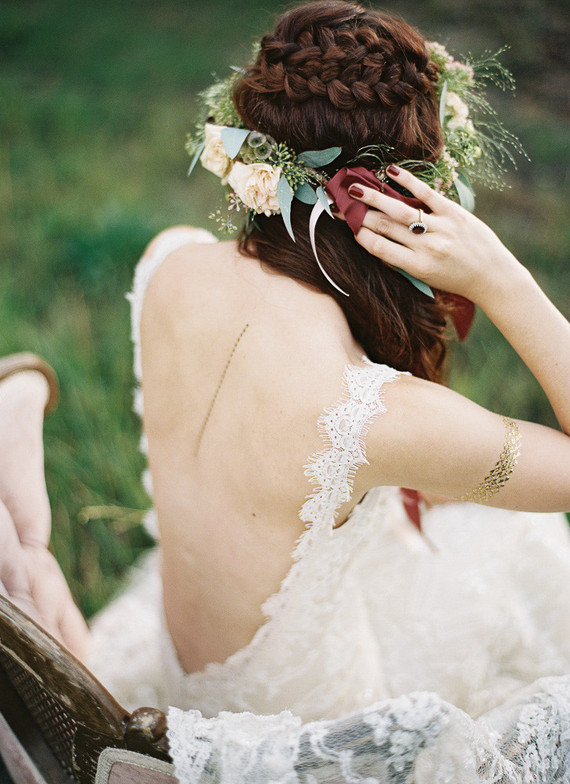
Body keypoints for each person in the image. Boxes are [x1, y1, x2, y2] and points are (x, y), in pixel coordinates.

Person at [1, 1, 569, 781]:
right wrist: (503, 278)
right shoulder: (370, 416)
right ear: (405, 204)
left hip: (186, 674)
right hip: (312, 741)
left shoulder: (169, 262)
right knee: (524, 558)